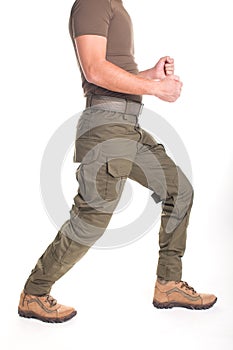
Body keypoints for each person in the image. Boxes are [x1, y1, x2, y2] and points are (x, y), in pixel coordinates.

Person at [18, 0, 217, 323]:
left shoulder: (115, 5)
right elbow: (94, 69)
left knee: (179, 190)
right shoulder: (93, 2)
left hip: (129, 126)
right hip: (107, 127)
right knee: (92, 218)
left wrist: (148, 75)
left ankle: (167, 283)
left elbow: (112, 72)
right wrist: (153, 87)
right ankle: (35, 293)